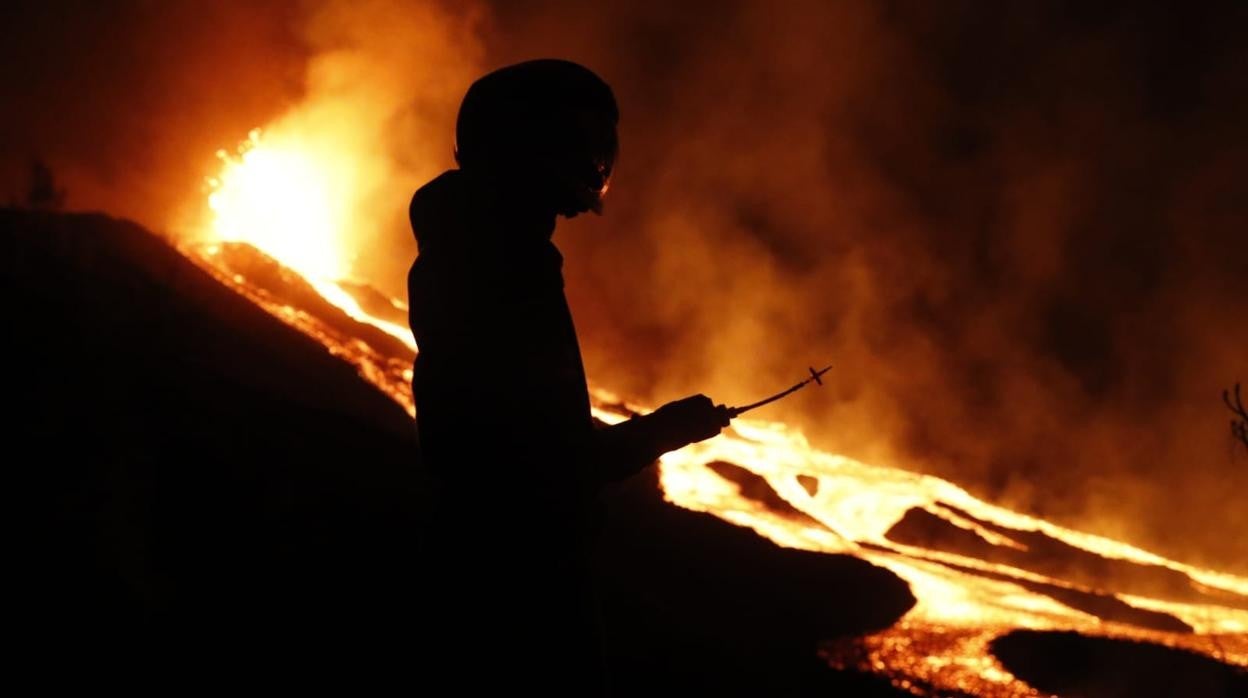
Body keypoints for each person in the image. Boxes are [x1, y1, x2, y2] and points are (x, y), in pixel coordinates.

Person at [406, 59, 729, 692]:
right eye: (579, 144)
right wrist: (663, 431)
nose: (594, 165)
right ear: (526, 145)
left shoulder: (478, 248)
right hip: (517, 583)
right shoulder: (503, 270)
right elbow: (540, 455)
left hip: (493, 570)